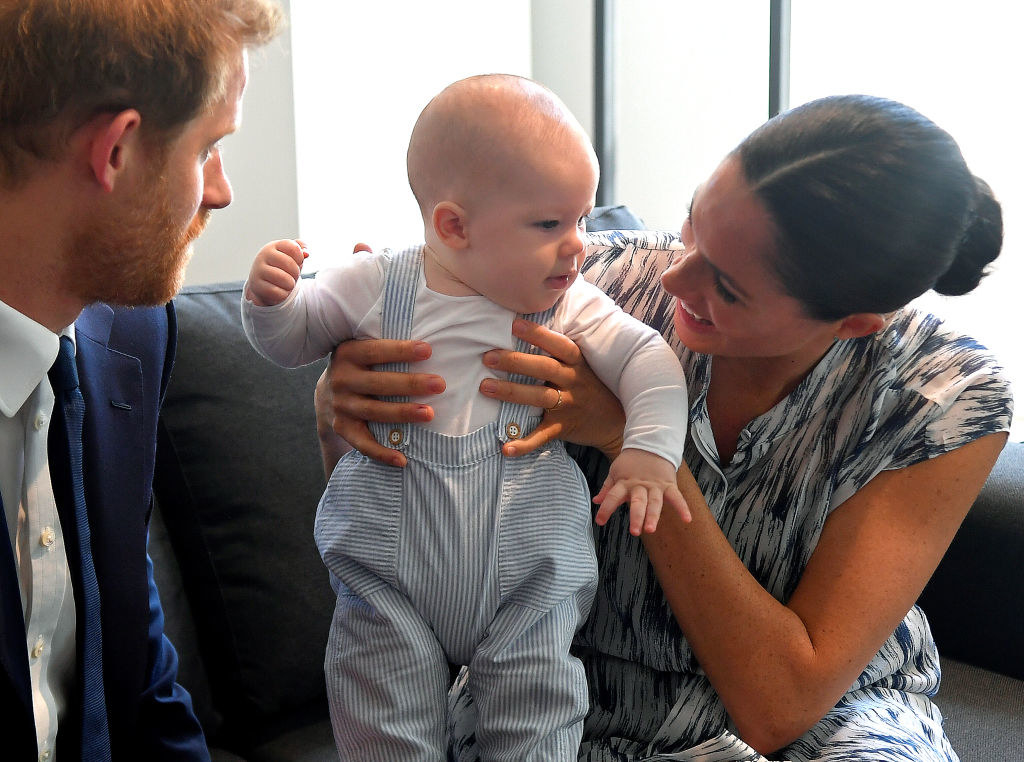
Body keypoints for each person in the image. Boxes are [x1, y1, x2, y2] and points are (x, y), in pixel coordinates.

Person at [319, 94, 1012, 762]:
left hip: (829, 721)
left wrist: (631, 437)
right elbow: (402, 521)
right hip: (568, 690)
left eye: (729, 287)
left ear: (855, 321)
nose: (676, 279)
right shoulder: (586, 282)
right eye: (692, 226)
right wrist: (343, 405)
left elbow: (779, 705)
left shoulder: (942, 396)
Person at [241, 74, 689, 759]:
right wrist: (270, 304)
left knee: (538, 713)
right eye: (549, 224)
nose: (577, 245)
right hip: (388, 573)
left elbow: (649, 359)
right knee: (380, 719)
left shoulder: (568, 302)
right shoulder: (375, 283)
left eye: (581, 218)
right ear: (454, 225)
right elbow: (291, 342)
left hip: (528, 571)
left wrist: (650, 451)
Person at [0, 1, 282, 759]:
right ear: (117, 150)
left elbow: (140, 676)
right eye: (208, 149)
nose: (218, 192)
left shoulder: (130, 333)